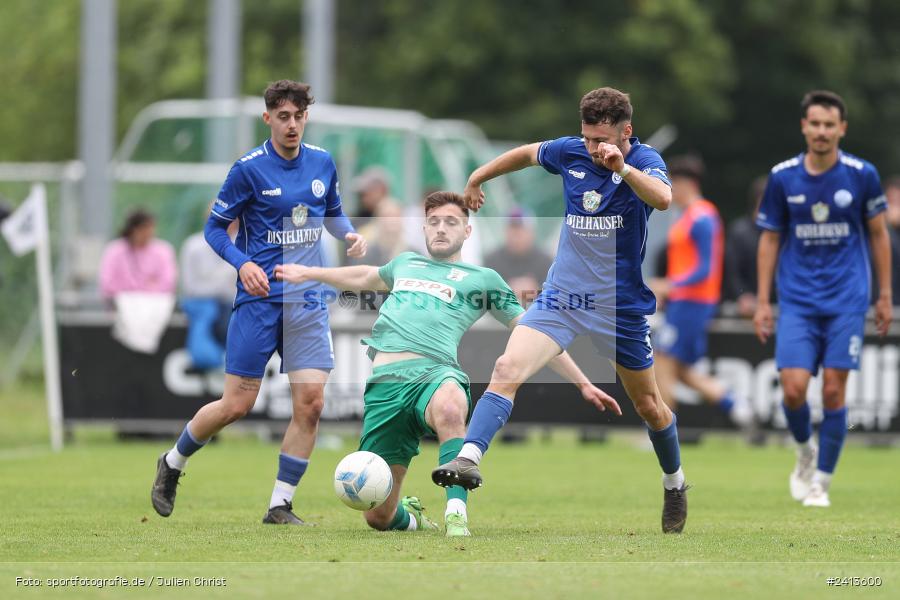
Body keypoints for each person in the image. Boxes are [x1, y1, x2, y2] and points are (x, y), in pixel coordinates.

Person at [275, 191, 619, 536]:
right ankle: (412, 518)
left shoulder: (483, 278)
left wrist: (584, 383)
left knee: (451, 408)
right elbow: (365, 276)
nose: (441, 229)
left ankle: (456, 513)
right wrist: (309, 273)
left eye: (451, 222)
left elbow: (536, 336)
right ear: (424, 230)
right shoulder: (405, 263)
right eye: (434, 222)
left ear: (467, 231)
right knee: (378, 517)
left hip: (435, 373)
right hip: (385, 387)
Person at [433, 87, 691, 534]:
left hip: (619, 307)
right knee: (507, 365)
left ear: (626, 132)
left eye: (603, 139)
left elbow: (663, 199)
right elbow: (527, 153)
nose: (593, 149)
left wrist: (623, 168)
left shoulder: (645, 161)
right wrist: (478, 176)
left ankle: (674, 483)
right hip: (564, 297)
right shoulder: (571, 153)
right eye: (587, 138)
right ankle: (470, 458)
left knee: (650, 406)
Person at [151, 80, 367, 525]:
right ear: (267, 118)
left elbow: (332, 212)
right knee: (236, 405)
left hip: (307, 300)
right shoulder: (248, 169)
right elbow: (214, 229)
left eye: (299, 116)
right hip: (260, 299)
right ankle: (173, 461)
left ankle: (280, 505)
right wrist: (242, 263)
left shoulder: (323, 162)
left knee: (311, 403)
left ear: (307, 117)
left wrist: (347, 233)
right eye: (283, 116)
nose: (292, 125)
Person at [754, 90, 892, 508]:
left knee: (834, 392)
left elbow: (879, 235)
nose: (821, 131)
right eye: (814, 123)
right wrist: (763, 301)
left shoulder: (862, 174)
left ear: (842, 129)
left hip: (847, 300)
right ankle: (804, 452)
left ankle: (821, 484)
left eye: (829, 125)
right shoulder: (782, 177)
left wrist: (884, 294)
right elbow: (770, 238)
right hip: (797, 301)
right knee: (794, 390)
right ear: (804, 127)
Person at [651, 156, 744, 424]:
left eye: (673, 185)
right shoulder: (687, 217)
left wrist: (670, 286)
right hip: (683, 302)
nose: (670, 191)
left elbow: (706, 267)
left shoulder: (703, 217)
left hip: (693, 302)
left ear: (687, 184)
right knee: (678, 368)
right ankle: (732, 402)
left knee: (663, 362)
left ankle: (664, 428)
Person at [179, 208, 239, 370]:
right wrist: (220, 287)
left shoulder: (242, 244)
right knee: (207, 311)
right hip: (202, 303)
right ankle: (210, 358)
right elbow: (190, 288)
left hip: (231, 304)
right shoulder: (193, 246)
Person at [98, 209, 177, 301]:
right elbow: (107, 283)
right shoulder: (115, 250)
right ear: (132, 229)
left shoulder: (163, 250)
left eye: (151, 228)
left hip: (155, 305)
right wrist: (134, 292)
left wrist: (145, 294)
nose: (148, 232)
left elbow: (168, 282)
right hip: (120, 305)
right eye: (144, 228)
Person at [484, 207, 554, 305]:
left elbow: (555, 297)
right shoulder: (492, 260)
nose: (516, 235)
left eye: (520, 230)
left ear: (531, 233)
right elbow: (482, 296)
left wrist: (536, 290)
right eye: (512, 230)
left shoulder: (545, 261)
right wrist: (508, 290)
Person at [723, 176, 768, 317]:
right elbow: (731, 270)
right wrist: (741, 295)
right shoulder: (739, 231)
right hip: (742, 308)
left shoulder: (783, 232)